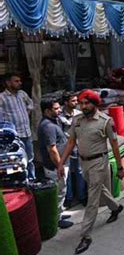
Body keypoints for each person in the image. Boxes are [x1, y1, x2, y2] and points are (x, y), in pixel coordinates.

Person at [58, 90, 124, 254]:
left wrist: (120, 167)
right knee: (98, 188)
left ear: (95, 104)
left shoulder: (105, 121)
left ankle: (85, 235)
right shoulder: (77, 120)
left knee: (92, 198)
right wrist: (61, 163)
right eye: (82, 103)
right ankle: (115, 207)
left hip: (99, 162)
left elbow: (115, 144)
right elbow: (71, 142)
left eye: (87, 103)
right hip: (83, 162)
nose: (84, 106)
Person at [37, 98, 74, 229]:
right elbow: (52, 149)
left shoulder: (53, 122)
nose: (59, 111)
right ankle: (56, 219)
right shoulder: (48, 126)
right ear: (47, 110)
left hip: (59, 165)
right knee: (59, 192)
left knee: (61, 191)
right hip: (55, 167)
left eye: (59, 108)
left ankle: (59, 212)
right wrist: (60, 166)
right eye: (56, 109)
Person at [0, 74, 35, 180]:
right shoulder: (2, 97)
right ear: (8, 83)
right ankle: (21, 182)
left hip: (26, 132)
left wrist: (27, 111)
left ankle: (31, 180)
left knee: (30, 159)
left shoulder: (22, 94)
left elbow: (31, 103)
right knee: (16, 161)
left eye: (20, 81)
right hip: (14, 137)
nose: (20, 83)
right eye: (16, 81)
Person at [60, 91, 87, 208]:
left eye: (76, 101)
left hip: (78, 146)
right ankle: (69, 198)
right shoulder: (59, 116)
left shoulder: (79, 114)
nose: (76, 103)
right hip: (65, 148)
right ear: (66, 102)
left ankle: (82, 196)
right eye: (73, 101)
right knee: (67, 174)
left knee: (80, 172)